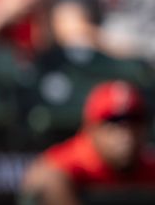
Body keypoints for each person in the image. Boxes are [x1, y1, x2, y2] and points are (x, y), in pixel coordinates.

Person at [21, 80, 155, 205]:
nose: (125, 133)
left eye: (134, 120)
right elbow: (43, 177)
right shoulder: (79, 158)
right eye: (112, 122)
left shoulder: (146, 162)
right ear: (91, 128)